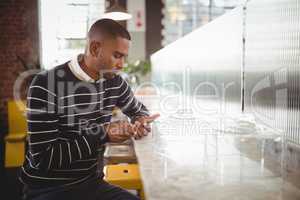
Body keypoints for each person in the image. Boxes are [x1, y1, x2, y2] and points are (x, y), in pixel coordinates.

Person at [19, 18, 159, 200]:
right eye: (117, 56)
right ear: (95, 49)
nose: (122, 65)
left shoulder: (114, 81)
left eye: (124, 57)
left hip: (91, 183)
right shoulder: (46, 84)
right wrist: (103, 134)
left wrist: (140, 119)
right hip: (48, 189)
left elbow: (137, 109)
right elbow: (44, 159)